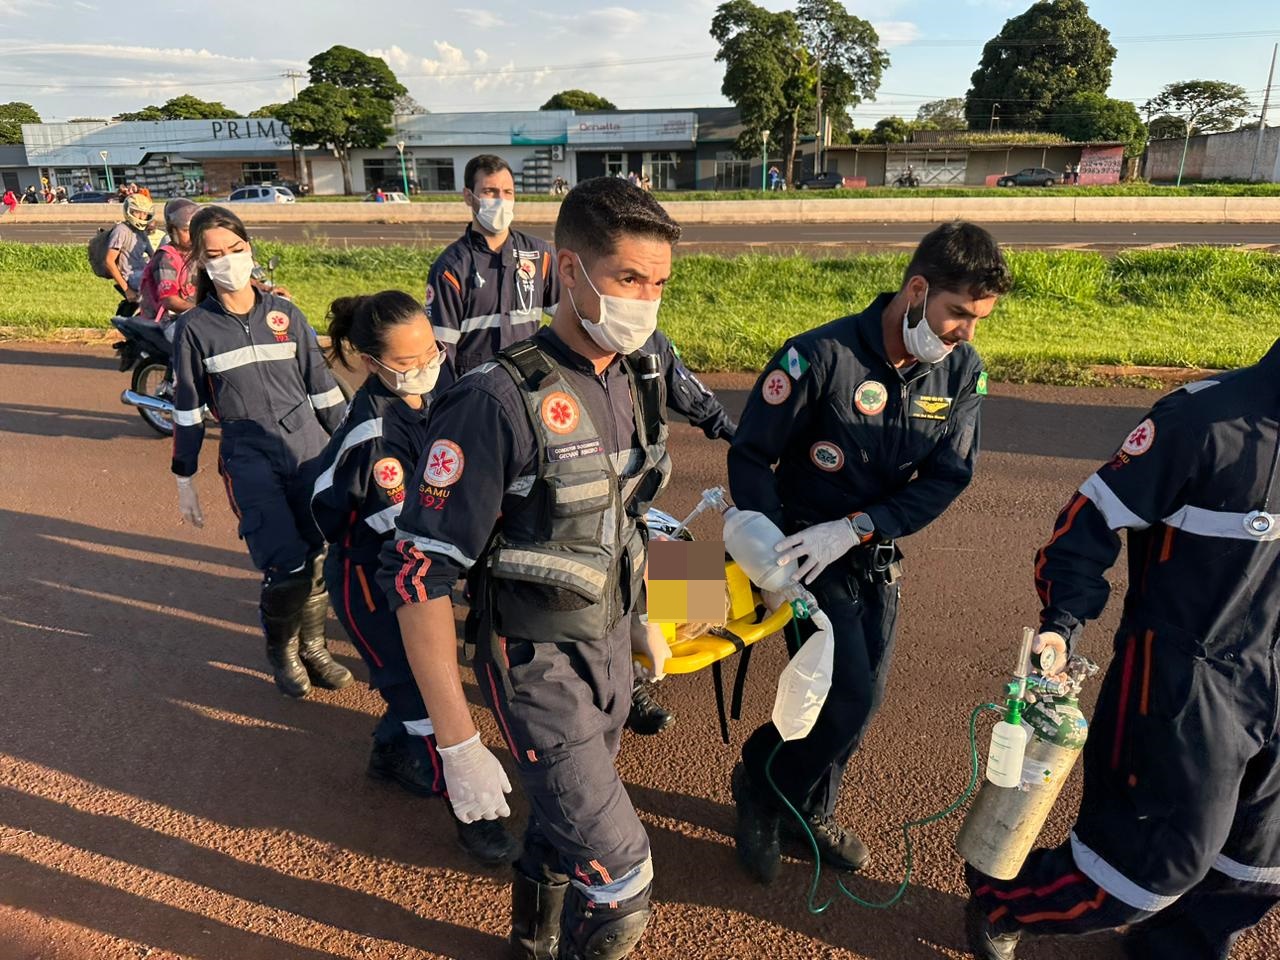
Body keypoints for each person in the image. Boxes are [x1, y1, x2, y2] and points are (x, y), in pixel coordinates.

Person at [379, 177, 680, 960]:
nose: (645, 302)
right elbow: (419, 574)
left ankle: (532, 941)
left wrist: (652, 609)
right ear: (569, 271)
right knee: (621, 880)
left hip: (612, 647)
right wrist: (455, 742)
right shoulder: (495, 401)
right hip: (538, 667)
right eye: (627, 280)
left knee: (558, 827)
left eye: (658, 284)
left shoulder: (639, 375)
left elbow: (634, 507)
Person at [964, 347, 1280, 960]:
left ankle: (1174, 947)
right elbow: (1086, 526)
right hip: (1188, 678)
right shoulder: (1202, 424)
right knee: (1149, 864)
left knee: (1261, 858)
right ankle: (1005, 899)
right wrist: (1062, 622)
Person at [727, 221, 1012, 885]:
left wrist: (862, 526)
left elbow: (947, 476)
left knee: (862, 701)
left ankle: (806, 805)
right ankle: (762, 789)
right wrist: (772, 550)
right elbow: (750, 455)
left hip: (866, 548)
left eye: (979, 319)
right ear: (917, 290)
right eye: (958, 315)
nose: (967, 333)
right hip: (800, 552)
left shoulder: (962, 372)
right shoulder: (817, 357)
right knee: (844, 695)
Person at [309, 291, 521, 866]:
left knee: (408, 682)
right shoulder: (377, 435)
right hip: (376, 576)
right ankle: (472, 814)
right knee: (429, 694)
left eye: (432, 350)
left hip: (407, 559)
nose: (428, 365)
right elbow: (414, 538)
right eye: (408, 362)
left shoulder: (440, 389)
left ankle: (388, 748)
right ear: (372, 363)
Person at [170, 205, 354, 701]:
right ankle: (284, 651)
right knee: (286, 562)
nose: (228, 261)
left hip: (308, 452)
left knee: (318, 555)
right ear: (202, 263)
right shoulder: (194, 329)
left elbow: (324, 391)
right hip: (249, 456)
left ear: (250, 248)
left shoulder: (285, 314)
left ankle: (314, 647)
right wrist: (184, 476)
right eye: (215, 254)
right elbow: (188, 410)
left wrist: (356, 444)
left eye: (236, 249)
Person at [625, 327, 738, 736]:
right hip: (584, 499)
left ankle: (635, 653)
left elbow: (685, 387)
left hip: (637, 491)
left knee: (704, 603)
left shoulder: (647, 339)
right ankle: (625, 682)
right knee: (621, 583)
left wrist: (733, 434)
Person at [424, 154, 559, 376]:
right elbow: (441, 355)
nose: (501, 201)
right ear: (468, 196)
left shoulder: (538, 254)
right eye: (490, 192)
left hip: (527, 387)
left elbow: (569, 317)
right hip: (475, 390)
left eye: (508, 193)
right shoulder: (450, 269)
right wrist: (451, 405)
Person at [138, 198, 198, 329]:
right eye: (186, 230)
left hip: (192, 318)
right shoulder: (166, 258)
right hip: (167, 323)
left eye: (196, 228)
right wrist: (202, 312)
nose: (193, 234)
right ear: (172, 231)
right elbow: (169, 300)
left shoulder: (198, 253)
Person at [104, 193, 156, 319]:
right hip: (131, 276)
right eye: (138, 212)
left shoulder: (141, 232)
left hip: (143, 271)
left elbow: (153, 255)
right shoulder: (121, 230)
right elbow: (109, 261)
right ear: (129, 211)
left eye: (145, 213)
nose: (142, 217)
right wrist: (127, 289)